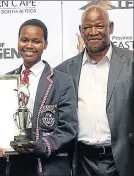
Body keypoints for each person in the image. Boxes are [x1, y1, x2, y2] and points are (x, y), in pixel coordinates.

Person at [0, 19, 78, 176]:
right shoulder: (6, 80)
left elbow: (68, 127)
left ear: (45, 44)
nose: (29, 46)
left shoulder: (62, 81)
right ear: (18, 42)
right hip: (12, 167)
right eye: (24, 40)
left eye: (36, 41)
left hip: (47, 166)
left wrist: (40, 146)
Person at [55, 5, 134, 176]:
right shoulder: (64, 71)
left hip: (124, 159)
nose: (93, 32)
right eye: (87, 27)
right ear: (80, 30)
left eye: (99, 26)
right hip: (82, 161)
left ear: (110, 27)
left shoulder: (131, 62)